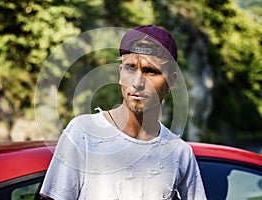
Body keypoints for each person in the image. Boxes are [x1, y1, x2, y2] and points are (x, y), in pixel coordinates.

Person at [40, 25, 207, 200]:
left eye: (151, 71)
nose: (137, 82)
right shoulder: (83, 133)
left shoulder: (179, 153)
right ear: (120, 73)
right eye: (130, 68)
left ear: (171, 81)